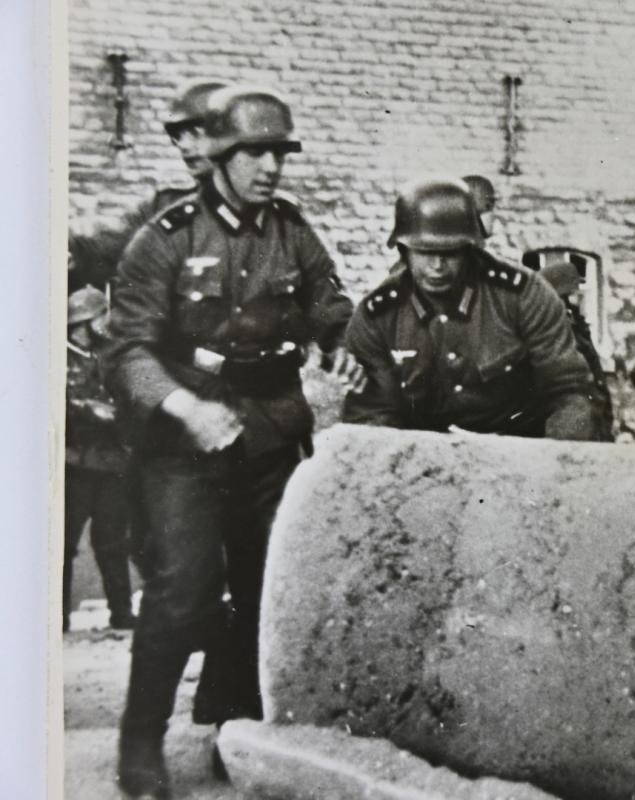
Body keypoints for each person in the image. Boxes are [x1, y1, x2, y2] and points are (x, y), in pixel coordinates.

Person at [101, 85, 359, 799]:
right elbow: (126, 351)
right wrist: (185, 406)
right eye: (254, 152)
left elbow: (328, 304)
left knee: (261, 588)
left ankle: (234, 725)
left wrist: (341, 340)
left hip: (270, 430)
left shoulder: (292, 231)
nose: (270, 166)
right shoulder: (168, 237)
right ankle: (140, 743)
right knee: (183, 591)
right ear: (218, 154)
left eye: (279, 152)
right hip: (185, 441)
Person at [342, 177, 596, 440]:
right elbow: (370, 415)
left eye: (450, 252)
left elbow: (568, 392)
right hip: (424, 458)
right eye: (425, 252)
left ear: (469, 248)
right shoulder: (378, 316)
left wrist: (558, 466)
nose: (438, 265)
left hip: (518, 451)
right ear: (403, 250)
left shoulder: (524, 296)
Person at [70, 79, 228, 294]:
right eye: (178, 137)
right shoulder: (164, 205)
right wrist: (70, 248)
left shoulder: (281, 221)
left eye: (196, 133)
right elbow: (106, 249)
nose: (184, 145)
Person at [65, 286, 136, 632]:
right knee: (63, 544)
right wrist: (88, 411)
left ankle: (121, 614)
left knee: (112, 542)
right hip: (74, 464)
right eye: (101, 315)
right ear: (83, 321)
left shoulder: (110, 356)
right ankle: (57, 618)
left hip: (112, 464)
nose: (107, 322)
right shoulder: (59, 357)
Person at [522, 247, 615, 441]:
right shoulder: (555, 329)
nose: (579, 295)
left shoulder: (575, 322)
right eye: (574, 291)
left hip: (593, 417)